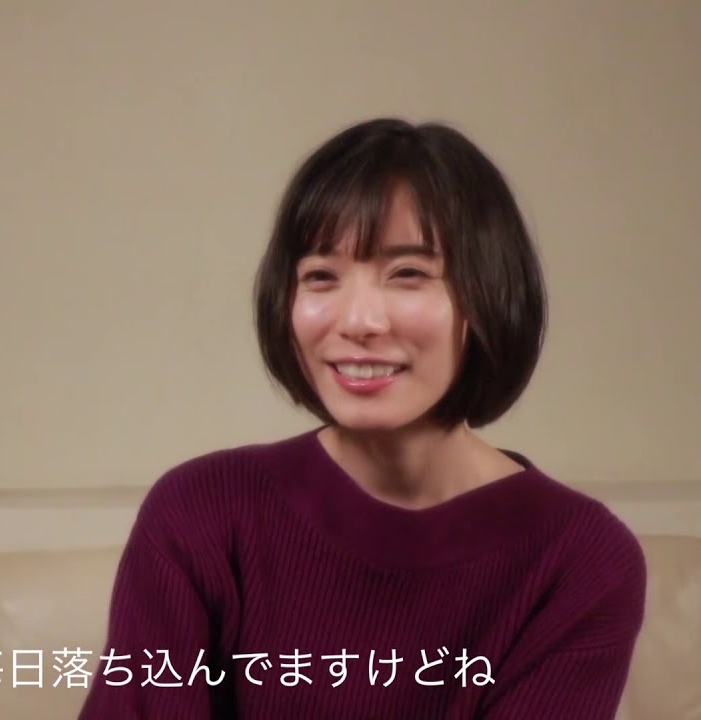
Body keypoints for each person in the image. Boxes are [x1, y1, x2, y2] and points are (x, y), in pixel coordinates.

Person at [76, 117, 647, 719]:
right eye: (321, 277)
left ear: (488, 295)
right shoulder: (201, 512)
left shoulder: (579, 559)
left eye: (408, 275)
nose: (358, 321)